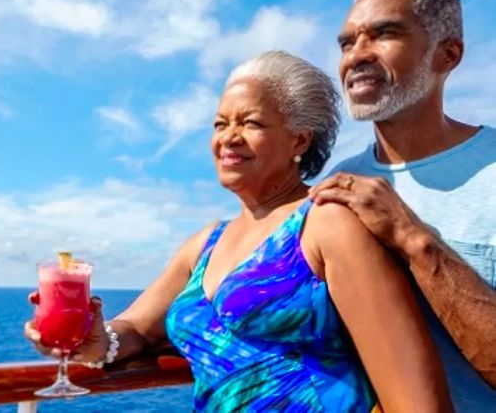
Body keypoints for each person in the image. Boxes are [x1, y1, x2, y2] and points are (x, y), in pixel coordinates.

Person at [26, 51, 452, 412]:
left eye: (252, 123)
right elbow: (137, 327)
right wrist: (96, 340)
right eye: (219, 124)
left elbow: (415, 399)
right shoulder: (206, 244)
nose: (229, 138)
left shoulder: (327, 222)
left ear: (299, 141)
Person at [308, 0, 496, 411]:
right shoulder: (337, 183)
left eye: (384, 34)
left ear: (447, 55)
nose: (356, 56)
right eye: (347, 42)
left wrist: (413, 239)